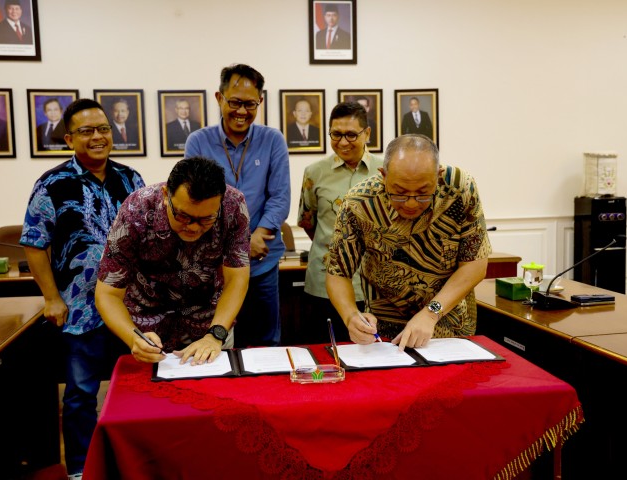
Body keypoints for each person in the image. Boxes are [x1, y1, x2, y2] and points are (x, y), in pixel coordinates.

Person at [20, 98, 145, 480]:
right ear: (69, 138)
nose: (98, 137)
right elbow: (34, 241)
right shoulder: (52, 184)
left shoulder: (132, 179)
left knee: (138, 387)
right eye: (87, 131)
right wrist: (51, 298)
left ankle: (135, 463)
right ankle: (81, 470)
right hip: (80, 308)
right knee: (79, 395)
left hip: (132, 306)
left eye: (103, 129)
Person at [325, 134, 491, 352]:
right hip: (383, 329)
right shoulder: (359, 203)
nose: (411, 203)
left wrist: (431, 313)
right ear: (383, 176)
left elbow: (475, 264)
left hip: (448, 323)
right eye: (400, 193)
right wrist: (351, 316)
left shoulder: (460, 189)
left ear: (438, 175)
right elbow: (338, 272)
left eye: (423, 193)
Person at [95, 157, 250, 365]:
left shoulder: (234, 206)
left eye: (206, 219)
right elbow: (108, 294)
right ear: (166, 194)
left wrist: (215, 335)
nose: (194, 227)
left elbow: (236, 280)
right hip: (146, 329)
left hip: (210, 322)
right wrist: (133, 337)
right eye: (184, 216)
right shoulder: (136, 210)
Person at [185, 63, 291, 348]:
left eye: (250, 104)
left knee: (266, 341)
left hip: (262, 260)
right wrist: (241, 244)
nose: (241, 111)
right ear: (219, 98)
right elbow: (194, 201)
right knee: (216, 340)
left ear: (260, 102)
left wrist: (258, 236)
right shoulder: (198, 142)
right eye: (234, 102)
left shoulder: (273, 140)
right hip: (213, 263)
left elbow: (280, 197)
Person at [297, 102, 383, 343]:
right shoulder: (315, 172)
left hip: (373, 285)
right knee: (324, 353)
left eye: (351, 135)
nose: (343, 142)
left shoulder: (386, 170)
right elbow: (308, 222)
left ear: (367, 133)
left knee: (372, 358)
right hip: (324, 283)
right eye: (336, 134)